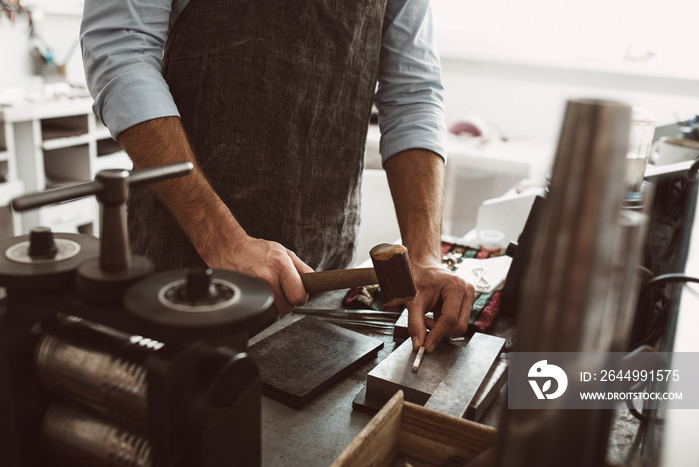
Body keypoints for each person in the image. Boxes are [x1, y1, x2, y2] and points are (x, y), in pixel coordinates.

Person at [80, 0, 474, 353]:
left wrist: (424, 255)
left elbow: (413, 93)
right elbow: (121, 53)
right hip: (187, 263)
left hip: (324, 272)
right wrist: (222, 240)